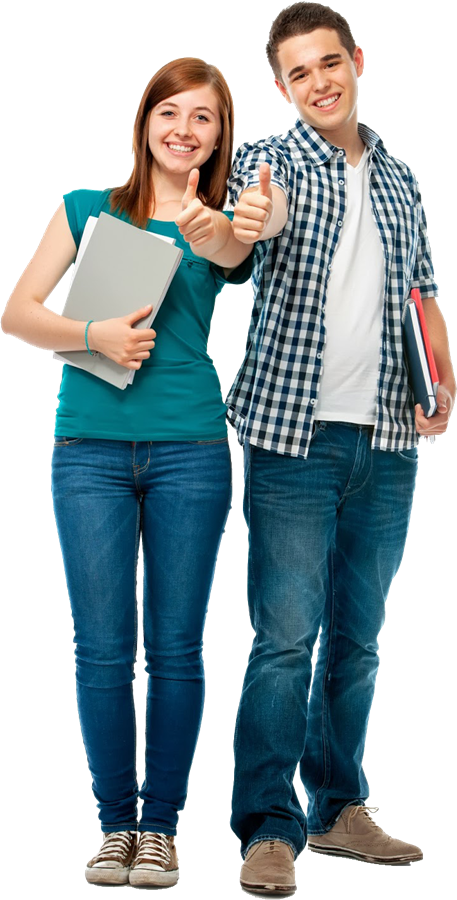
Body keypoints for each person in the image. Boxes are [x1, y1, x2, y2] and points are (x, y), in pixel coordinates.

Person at [1, 57, 253, 888]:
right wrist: (92, 337)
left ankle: (161, 828)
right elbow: (17, 313)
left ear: (219, 137)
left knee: (177, 647)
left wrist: (218, 217)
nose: (185, 129)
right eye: (171, 112)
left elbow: (241, 240)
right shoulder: (86, 209)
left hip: (189, 446)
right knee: (103, 649)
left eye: (204, 119)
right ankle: (115, 826)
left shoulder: (219, 228)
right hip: (89, 451)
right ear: (145, 121)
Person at [226, 3, 454, 894]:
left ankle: (339, 810)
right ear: (280, 87)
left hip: (391, 437)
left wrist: (442, 375)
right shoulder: (268, 163)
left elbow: (422, 290)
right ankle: (266, 826)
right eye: (298, 73)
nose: (318, 82)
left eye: (330, 63)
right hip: (292, 439)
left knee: (359, 640)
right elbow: (247, 234)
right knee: (285, 639)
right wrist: (251, 221)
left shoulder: (400, 178)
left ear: (357, 61)